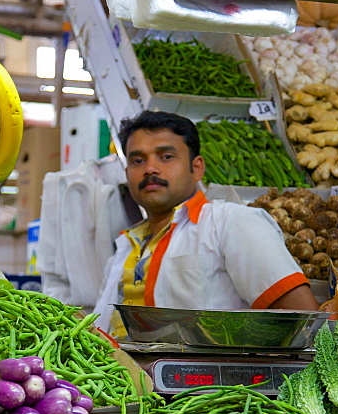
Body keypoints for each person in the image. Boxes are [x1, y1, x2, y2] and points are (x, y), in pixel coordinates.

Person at [94, 110, 319, 337]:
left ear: (197, 168)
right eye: (138, 160)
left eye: (166, 157)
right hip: (117, 371)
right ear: (127, 172)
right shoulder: (125, 247)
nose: (150, 168)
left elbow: (303, 322)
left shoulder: (231, 223)